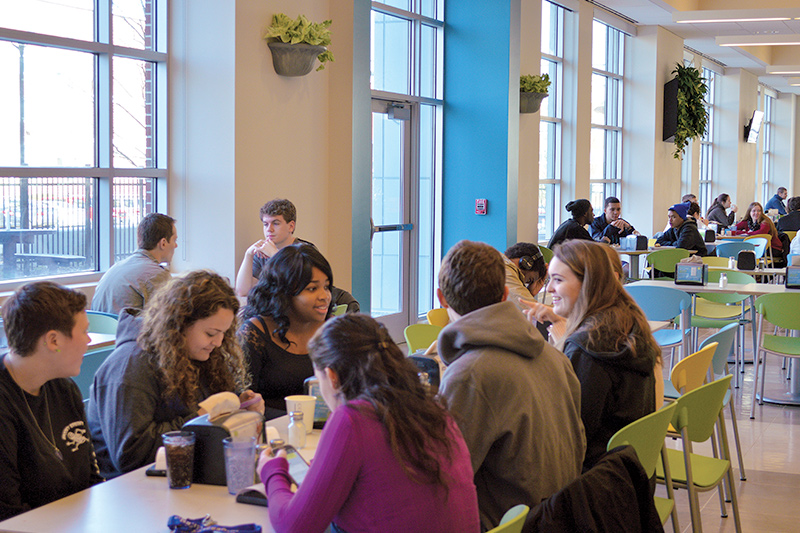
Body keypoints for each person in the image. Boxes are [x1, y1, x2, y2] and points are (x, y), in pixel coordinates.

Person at [258, 314, 480, 533]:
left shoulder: (352, 419)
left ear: (332, 376)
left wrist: (272, 472)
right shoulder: (433, 409)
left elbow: (293, 526)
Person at [435, 240, 585, 530]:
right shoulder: (556, 359)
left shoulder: (469, 376)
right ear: (505, 294)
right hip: (559, 517)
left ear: (442, 299)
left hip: (506, 524)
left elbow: (442, 480)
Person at [88, 271, 263, 479]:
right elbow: (131, 455)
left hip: (183, 474)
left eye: (224, 333)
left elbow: (218, 412)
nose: (217, 343)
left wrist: (241, 408)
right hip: (130, 487)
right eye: (210, 333)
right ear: (180, 323)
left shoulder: (201, 355)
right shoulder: (130, 365)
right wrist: (200, 419)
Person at [524, 240, 662, 472]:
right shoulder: (627, 324)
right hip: (624, 477)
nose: (548, 289)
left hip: (589, 484)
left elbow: (567, 436)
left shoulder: (588, 349)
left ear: (587, 284)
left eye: (558, 280)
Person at [0, 282, 102, 520]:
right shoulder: (5, 403)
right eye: (84, 331)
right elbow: (8, 515)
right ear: (53, 340)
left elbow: (91, 482)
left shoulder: (63, 388)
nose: (88, 340)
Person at [239, 244, 333, 415]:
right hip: (272, 431)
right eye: (312, 288)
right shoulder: (254, 334)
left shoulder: (331, 330)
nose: (324, 296)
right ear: (285, 292)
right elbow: (243, 402)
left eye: (326, 287)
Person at [91, 213, 177, 315]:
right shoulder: (156, 274)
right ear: (163, 243)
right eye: (174, 240)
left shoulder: (115, 268)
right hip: (128, 330)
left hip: (101, 331)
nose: (176, 245)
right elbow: (168, 319)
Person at [235, 199, 312, 298]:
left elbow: (299, 288)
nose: (269, 229)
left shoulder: (305, 250)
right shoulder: (261, 254)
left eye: (276, 223)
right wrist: (248, 255)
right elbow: (242, 291)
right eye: (265, 224)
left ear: (291, 226)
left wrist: (275, 255)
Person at [503, 242, 548, 309]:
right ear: (526, 263)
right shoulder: (507, 270)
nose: (522, 283)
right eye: (530, 279)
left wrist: (529, 293)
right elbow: (531, 310)